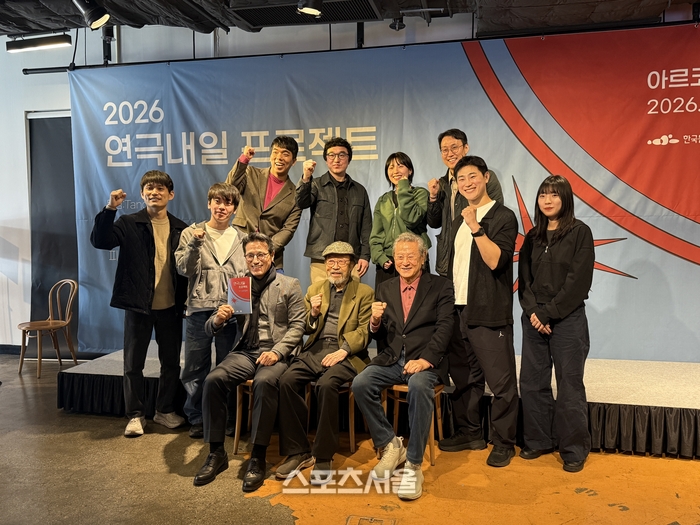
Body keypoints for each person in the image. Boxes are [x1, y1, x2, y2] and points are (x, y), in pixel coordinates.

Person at [193, 233, 305, 491]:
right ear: (245, 258)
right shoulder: (238, 285)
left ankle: (258, 456)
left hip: (275, 352)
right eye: (250, 255)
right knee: (213, 380)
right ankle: (216, 452)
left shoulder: (289, 284)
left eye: (261, 255)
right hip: (246, 352)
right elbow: (211, 326)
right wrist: (219, 319)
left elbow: (298, 326)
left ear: (272, 256)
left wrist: (277, 352)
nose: (255, 260)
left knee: (265, 383)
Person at [352, 232, 454, 501]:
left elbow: (445, 327)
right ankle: (390, 444)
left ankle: (413, 465)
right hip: (393, 359)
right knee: (361, 383)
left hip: (425, 361)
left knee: (419, 386)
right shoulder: (385, 287)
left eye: (410, 256)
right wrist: (374, 322)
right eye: (400, 257)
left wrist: (426, 360)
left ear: (423, 258)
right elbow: (378, 332)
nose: (405, 261)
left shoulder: (441, 286)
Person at [90, 170, 188, 437]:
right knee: (133, 364)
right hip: (138, 306)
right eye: (149, 188)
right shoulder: (128, 222)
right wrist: (110, 209)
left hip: (171, 307)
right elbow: (100, 241)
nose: (154, 192)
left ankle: (165, 410)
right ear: (142, 194)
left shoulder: (181, 228)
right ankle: (135, 415)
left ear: (171, 194)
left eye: (160, 188)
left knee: (171, 363)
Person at [438, 156, 519, 468]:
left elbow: (496, 261)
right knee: (465, 378)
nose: (467, 183)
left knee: (501, 383)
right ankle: (470, 432)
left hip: (488, 311)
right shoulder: (458, 220)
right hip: (458, 310)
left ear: (486, 177)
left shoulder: (502, 216)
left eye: (473, 176)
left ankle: (504, 442)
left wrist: (475, 226)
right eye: (461, 179)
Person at [276, 241, 374, 483]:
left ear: (352, 265)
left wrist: (343, 350)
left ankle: (323, 455)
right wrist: (313, 314)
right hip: (316, 348)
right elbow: (305, 327)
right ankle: (298, 451)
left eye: (341, 261)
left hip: (347, 353)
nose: (335, 266)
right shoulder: (316, 289)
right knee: (287, 380)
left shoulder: (364, 293)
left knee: (326, 385)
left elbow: (364, 331)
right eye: (331, 261)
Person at [518, 175, 595, 473]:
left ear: (565, 199)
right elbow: (524, 281)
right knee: (532, 383)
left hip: (567, 319)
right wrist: (534, 312)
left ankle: (574, 449)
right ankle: (539, 440)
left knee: (569, 386)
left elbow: (578, 282)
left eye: (554, 195)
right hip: (534, 319)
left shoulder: (580, 232)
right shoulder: (532, 237)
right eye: (542, 195)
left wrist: (548, 314)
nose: (547, 200)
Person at [175, 182, 247, 439]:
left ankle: (226, 418)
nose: (222, 207)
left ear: (234, 209)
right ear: (209, 204)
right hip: (199, 310)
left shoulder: (242, 238)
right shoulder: (191, 233)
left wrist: (241, 306)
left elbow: (248, 274)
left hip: (232, 311)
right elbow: (184, 269)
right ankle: (196, 418)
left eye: (228, 203)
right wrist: (195, 244)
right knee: (195, 368)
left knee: (228, 367)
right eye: (217, 201)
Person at [427, 128, 503, 278]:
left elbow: (496, 216)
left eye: (454, 147)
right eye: (444, 150)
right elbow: (434, 223)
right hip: (448, 260)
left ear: (466, 148)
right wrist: (433, 197)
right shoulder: (441, 184)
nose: (450, 154)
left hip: (476, 257)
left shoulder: (484, 178)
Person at [296, 137, 372, 283]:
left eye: (342, 155)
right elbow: (301, 203)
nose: (336, 159)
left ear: (349, 159)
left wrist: (365, 255)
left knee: (352, 297)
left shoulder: (359, 191)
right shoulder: (316, 185)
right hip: (322, 258)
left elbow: (366, 227)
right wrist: (306, 178)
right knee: (321, 296)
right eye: (331, 155)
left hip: (351, 258)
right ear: (326, 159)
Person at [225, 136, 303, 271]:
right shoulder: (251, 173)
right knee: (238, 285)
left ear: (294, 161)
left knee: (278, 284)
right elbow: (230, 189)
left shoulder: (296, 194)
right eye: (275, 152)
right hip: (240, 249)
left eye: (285, 154)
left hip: (271, 258)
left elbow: (288, 230)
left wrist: (266, 249)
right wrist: (244, 160)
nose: (279, 157)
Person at [369, 152, 430, 288]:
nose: (395, 171)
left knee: (417, 299)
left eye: (400, 166)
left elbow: (411, 219)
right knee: (386, 300)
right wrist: (380, 257)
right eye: (391, 167)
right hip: (388, 262)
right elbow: (376, 235)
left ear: (410, 170)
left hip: (414, 259)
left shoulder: (420, 194)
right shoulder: (383, 200)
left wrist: (403, 186)